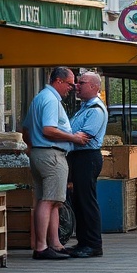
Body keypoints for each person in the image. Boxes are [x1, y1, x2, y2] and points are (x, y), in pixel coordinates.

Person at [22, 67, 90, 260]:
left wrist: (33, 147)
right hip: (52, 155)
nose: (72, 88)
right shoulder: (51, 100)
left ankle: (55, 244)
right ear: (58, 81)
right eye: (69, 84)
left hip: (39, 153)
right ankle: (42, 246)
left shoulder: (39, 98)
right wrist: (73, 138)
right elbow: (48, 130)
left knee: (52, 201)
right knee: (49, 200)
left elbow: (26, 130)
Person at [65, 71, 108, 258]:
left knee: (87, 201)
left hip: (87, 157)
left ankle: (93, 244)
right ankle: (83, 242)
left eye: (81, 82)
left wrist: (61, 136)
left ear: (93, 86)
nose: (77, 86)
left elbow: (83, 137)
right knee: (79, 201)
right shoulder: (84, 107)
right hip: (78, 157)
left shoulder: (96, 110)